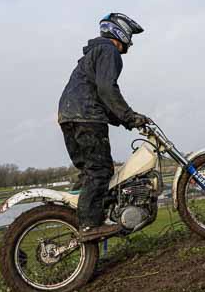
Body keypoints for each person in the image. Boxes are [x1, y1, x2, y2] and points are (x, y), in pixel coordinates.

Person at [58, 13, 150, 241]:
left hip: (70, 117)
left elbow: (100, 96)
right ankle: (89, 226)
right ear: (120, 31)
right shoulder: (109, 51)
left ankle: (84, 219)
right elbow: (107, 90)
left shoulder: (93, 54)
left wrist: (125, 120)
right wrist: (130, 117)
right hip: (86, 117)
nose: (130, 41)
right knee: (101, 171)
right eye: (129, 35)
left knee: (91, 173)